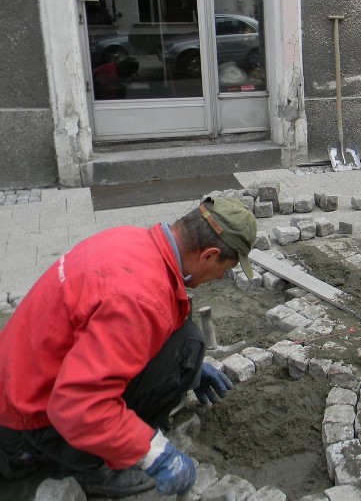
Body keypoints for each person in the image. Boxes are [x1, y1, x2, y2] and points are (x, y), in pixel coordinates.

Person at [0, 197, 257, 497]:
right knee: (185, 348)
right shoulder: (139, 298)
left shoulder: (133, 242)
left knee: (188, 343)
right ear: (209, 255)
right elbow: (77, 404)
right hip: (25, 424)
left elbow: (126, 331)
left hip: (23, 381)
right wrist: (154, 453)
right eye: (226, 269)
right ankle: (90, 466)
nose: (222, 277)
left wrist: (194, 371)